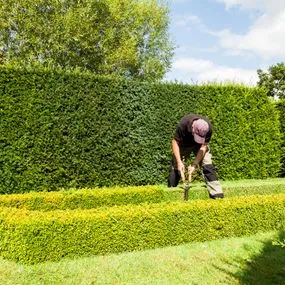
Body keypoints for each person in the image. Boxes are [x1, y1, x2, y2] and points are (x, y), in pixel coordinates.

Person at [168, 113, 224, 199]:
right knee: (176, 165)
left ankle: (217, 194)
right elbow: (175, 142)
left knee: (207, 163)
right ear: (193, 128)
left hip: (200, 146)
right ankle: (171, 193)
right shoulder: (184, 123)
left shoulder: (208, 128)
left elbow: (204, 146)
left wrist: (195, 164)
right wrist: (179, 162)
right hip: (182, 144)